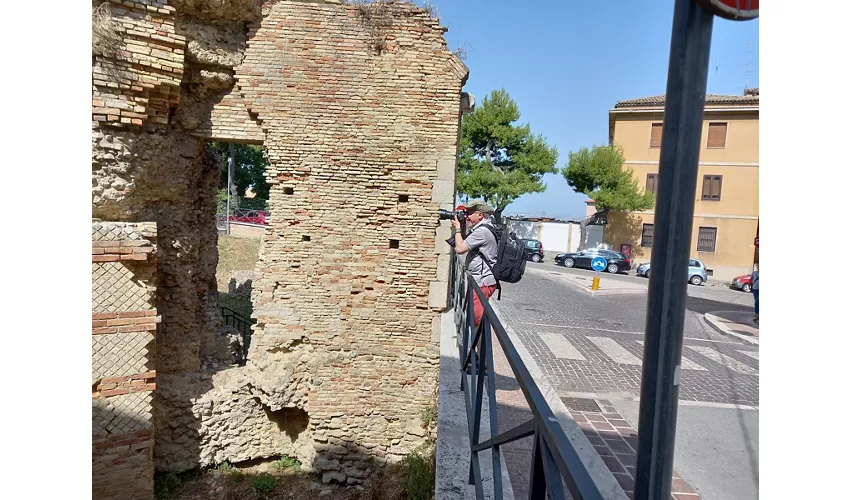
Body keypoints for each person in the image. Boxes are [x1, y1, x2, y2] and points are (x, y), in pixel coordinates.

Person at [451, 199, 498, 372]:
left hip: (482, 282)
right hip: (480, 281)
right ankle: (478, 357)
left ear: (481, 215)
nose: (467, 216)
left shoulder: (482, 232)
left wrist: (457, 228)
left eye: (470, 213)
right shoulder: (482, 229)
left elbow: (460, 249)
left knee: (477, 322)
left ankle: (483, 363)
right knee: (476, 321)